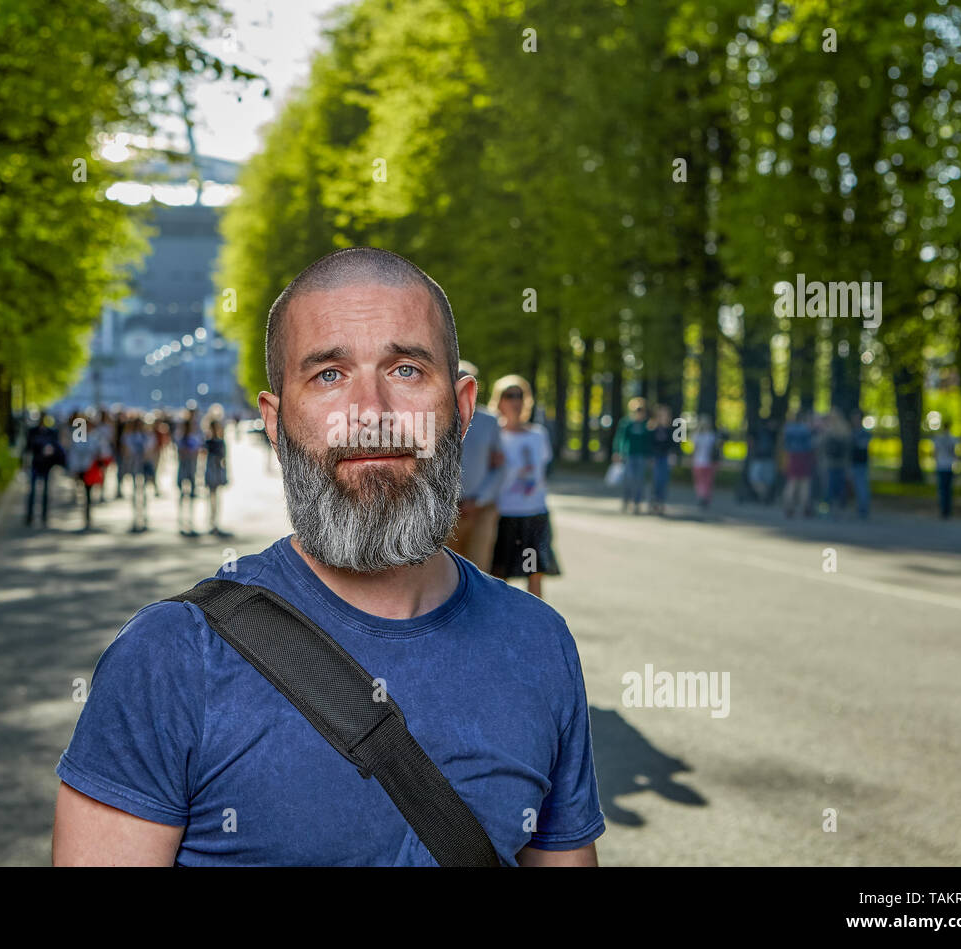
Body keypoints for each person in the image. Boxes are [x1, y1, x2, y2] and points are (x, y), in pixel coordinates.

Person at [53, 247, 603, 866]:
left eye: (406, 371)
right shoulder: (167, 659)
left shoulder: (539, 643)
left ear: (463, 406)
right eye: (328, 375)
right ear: (276, 420)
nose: (371, 414)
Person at [487, 375, 561, 599]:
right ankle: (497, 625)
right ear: (499, 401)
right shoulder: (495, 435)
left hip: (534, 514)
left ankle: (535, 626)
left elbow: (542, 470)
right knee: (500, 574)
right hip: (505, 514)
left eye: (520, 395)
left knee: (534, 571)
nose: (515, 401)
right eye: (509, 395)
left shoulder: (539, 435)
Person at [445, 360, 507, 571]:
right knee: (446, 574)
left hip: (481, 510)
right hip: (445, 510)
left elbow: (500, 467)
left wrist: (479, 500)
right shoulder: (433, 419)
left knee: (478, 570)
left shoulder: (490, 422)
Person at [24, 412, 65, 527]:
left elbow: (57, 448)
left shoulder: (51, 433)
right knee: (32, 490)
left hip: (47, 465)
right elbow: (28, 448)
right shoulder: (32, 431)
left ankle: (44, 515)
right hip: (36, 464)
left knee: (45, 491)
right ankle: (30, 515)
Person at [613, 397, 651, 514]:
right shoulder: (627, 423)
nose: (638, 413)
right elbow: (620, 438)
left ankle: (637, 502)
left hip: (641, 456)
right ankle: (626, 500)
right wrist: (617, 451)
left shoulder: (647, 425)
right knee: (628, 479)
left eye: (640, 410)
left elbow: (649, 441)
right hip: (629, 455)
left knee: (639, 480)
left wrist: (650, 455)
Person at [120, 416, 154, 533]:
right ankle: (135, 518)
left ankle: (144, 517)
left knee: (144, 492)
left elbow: (150, 451)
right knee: (135, 492)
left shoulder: (146, 437)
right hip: (134, 466)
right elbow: (126, 451)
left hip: (143, 466)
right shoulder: (129, 436)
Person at [781, 408, 816, 519]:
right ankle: (805, 506)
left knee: (792, 482)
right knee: (804, 483)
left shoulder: (788, 429)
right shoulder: (806, 429)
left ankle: (789, 505)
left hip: (792, 456)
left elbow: (785, 444)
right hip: (804, 456)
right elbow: (811, 445)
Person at [175, 409, 203, 537]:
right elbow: (180, 452)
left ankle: (189, 521)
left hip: (192, 467)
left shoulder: (195, 436)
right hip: (185, 467)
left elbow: (199, 450)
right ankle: (182, 521)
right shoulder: (181, 437)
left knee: (190, 495)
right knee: (182, 494)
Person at [203, 415, 232, 537]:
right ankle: (211, 522)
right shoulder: (208, 442)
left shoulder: (220, 442)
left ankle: (215, 522)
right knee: (211, 498)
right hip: (211, 471)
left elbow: (224, 459)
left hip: (216, 471)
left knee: (215, 498)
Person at [819, 409, 852, 515]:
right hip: (842, 462)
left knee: (829, 485)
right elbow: (848, 449)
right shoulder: (845, 429)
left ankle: (828, 507)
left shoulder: (829, 429)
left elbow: (821, 445)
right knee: (840, 486)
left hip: (829, 462)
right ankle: (839, 507)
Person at [649, 404, 678, 515]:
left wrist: (673, 456)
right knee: (656, 480)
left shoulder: (671, 430)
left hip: (666, 458)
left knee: (664, 481)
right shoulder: (653, 429)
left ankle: (661, 502)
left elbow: (674, 445)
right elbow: (650, 444)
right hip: (656, 457)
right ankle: (654, 501)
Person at [746, 416, 778, 504]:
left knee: (754, 479)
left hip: (758, 458)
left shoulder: (757, 431)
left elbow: (751, 443)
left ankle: (763, 495)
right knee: (767, 481)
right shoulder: (772, 433)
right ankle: (765, 496)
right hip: (768, 458)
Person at [690, 414, 719, 508]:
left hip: (698, 462)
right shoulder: (711, 436)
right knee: (707, 482)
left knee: (699, 481)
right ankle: (705, 497)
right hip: (708, 462)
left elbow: (694, 449)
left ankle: (701, 496)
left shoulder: (697, 436)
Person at [933, 419, 960, 519]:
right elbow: (955, 453)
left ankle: (943, 510)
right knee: (948, 489)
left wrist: (935, 463)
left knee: (942, 489)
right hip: (949, 465)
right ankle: (947, 510)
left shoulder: (938, 438)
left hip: (941, 465)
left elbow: (935, 453)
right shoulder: (952, 439)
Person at [849, 409, 872, 519]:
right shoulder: (852, 432)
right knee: (856, 486)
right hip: (853, 463)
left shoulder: (864, 433)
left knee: (862, 486)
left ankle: (863, 509)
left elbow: (862, 446)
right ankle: (859, 507)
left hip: (861, 463)